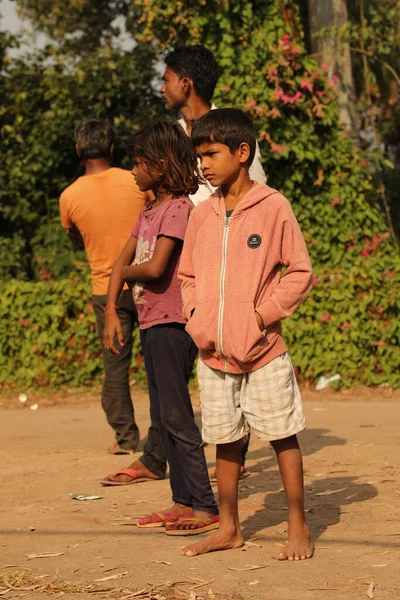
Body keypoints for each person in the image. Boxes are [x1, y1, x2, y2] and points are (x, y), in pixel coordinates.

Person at [105, 44, 262, 484]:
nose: (162, 86)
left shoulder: (229, 132)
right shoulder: (170, 136)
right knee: (168, 383)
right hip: (178, 271)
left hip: (216, 270)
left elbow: (250, 203)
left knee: (220, 364)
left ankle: (228, 455)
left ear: (185, 84)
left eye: (167, 78)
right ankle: (160, 459)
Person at [173, 108, 314, 560]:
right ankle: (229, 527)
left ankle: (298, 524)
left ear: (242, 151)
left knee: (281, 435)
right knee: (226, 439)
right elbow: (187, 275)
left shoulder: (274, 207)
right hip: (213, 354)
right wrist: (195, 316)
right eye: (199, 155)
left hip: (264, 351)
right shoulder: (202, 213)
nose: (204, 165)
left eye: (211, 153)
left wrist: (262, 316)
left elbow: (300, 271)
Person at [102, 121, 219, 534]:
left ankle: (205, 505)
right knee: (162, 415)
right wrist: (112, 311)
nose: (133, 171)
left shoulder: (179, 209)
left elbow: (153, 267)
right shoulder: (148, 210)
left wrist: (125, 276)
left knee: (177, 415)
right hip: (151, 321)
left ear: (160, 164)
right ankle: (181, 501)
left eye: (138, 163)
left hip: (172, 323)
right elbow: (120, 263)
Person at [60, 118, 152, 454]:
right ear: (112, 148)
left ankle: (126, 439)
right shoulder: (134, 180)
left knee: (115, 367)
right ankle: (164, 435)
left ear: (78, 150)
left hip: (105, 292)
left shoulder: (68, 196)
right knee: (158, 363)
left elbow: (73, 234)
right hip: (148, 282)